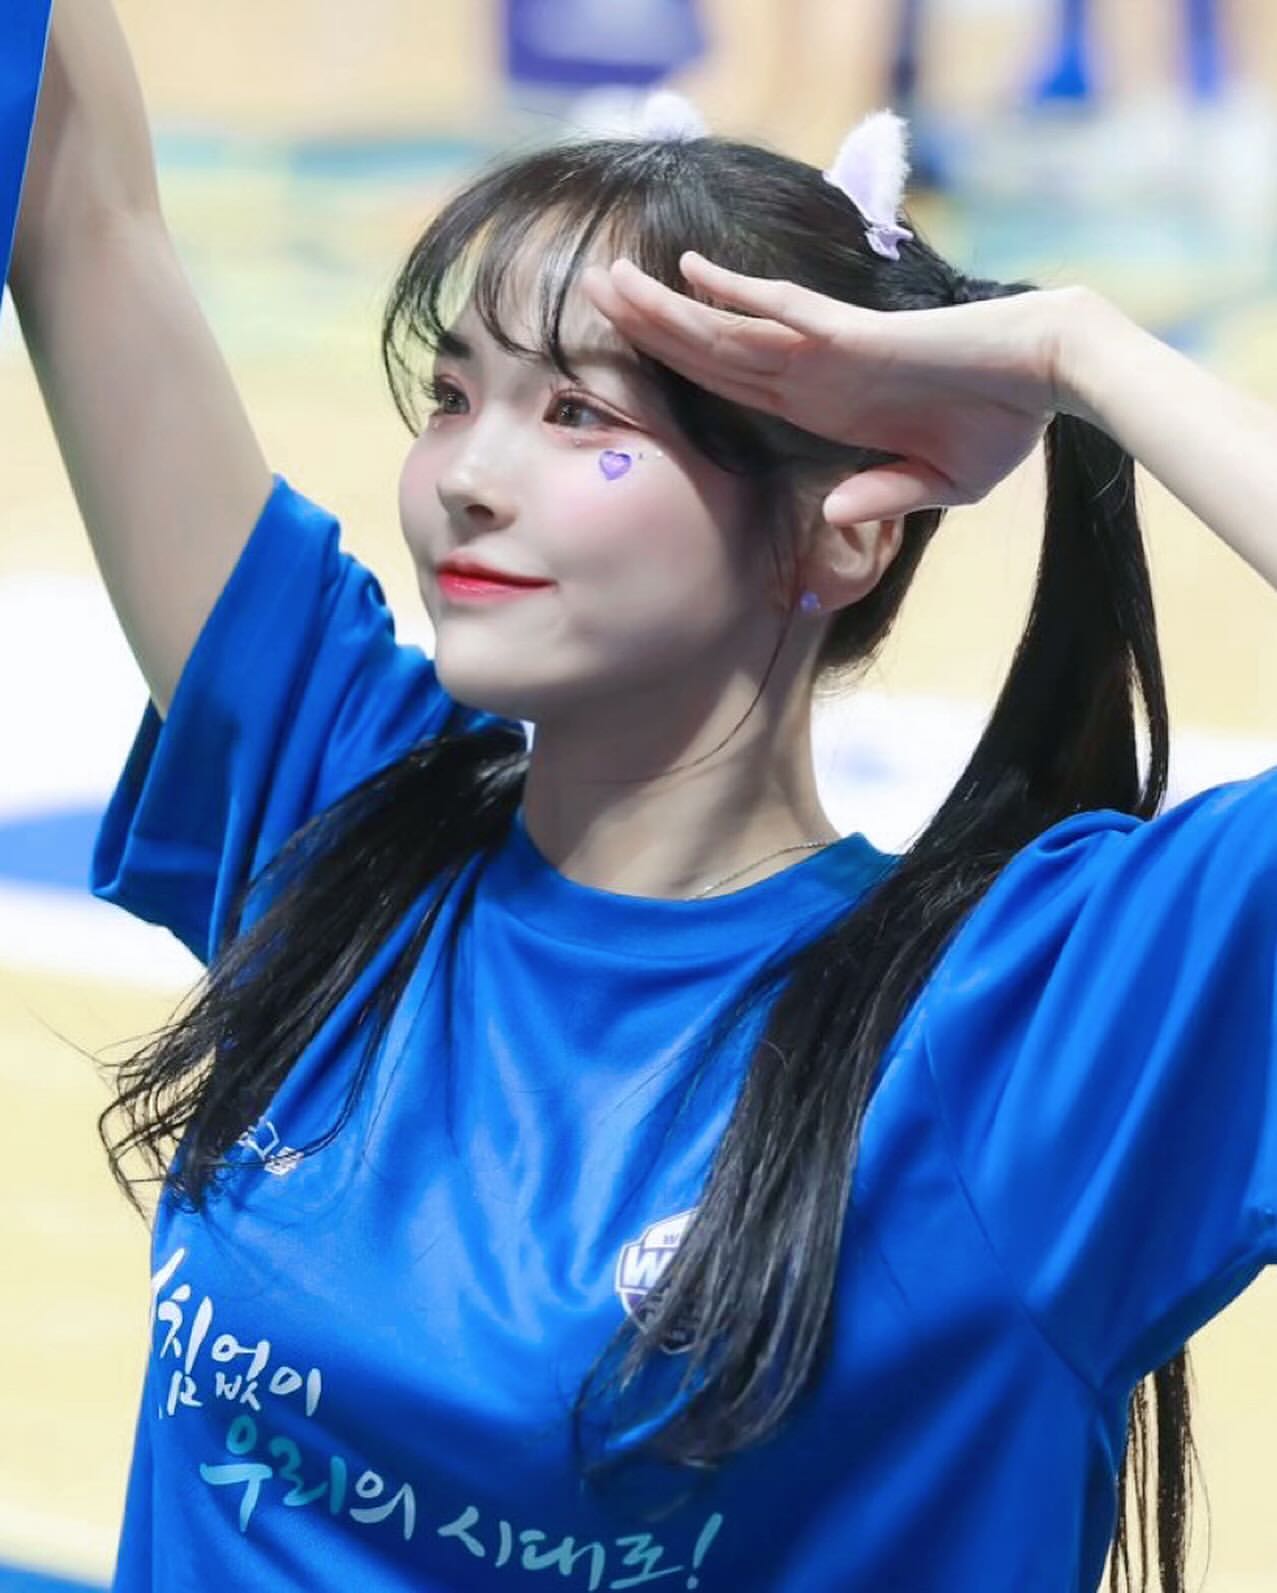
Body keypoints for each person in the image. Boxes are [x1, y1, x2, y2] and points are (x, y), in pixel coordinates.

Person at [8, 5, 1276, 1591]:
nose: (468, 477)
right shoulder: (348, 809)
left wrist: (1069, 350)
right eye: (453, 394)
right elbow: (79, 199)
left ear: (842, 531)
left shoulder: (1023, 1028)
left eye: (578, 416)